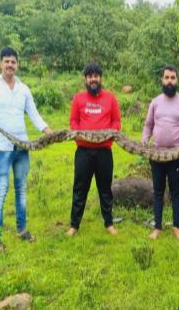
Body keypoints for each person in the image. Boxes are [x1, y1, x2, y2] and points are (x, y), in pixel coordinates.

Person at [0, 47, 52, 251]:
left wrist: (49, 131)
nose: (10, 65)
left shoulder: (24, 89)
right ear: (0, 64)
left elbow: (34, 114)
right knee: (1, 191)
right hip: (3, 149)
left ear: (17, 65)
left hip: (22, 147)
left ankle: (22, 229)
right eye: (6, 61)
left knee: (21, 190)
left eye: (13, 62)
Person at [66, 62, 121, 236]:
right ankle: (74, 225)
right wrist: (78, 134)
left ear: (100, 78)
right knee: (80, 188)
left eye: (96, 76)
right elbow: (74, 122)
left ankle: (109, 223)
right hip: (83, 152)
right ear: (86, 79)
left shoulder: (110, 98)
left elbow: (116, 122)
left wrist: (112, 133)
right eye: (90, 76)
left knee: (105, 188)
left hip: (104, 151)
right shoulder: (78, 98)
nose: (93, 79)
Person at [142, 65, 179, 241]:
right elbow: (148, 125)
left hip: (177, 157)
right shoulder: (155, 102)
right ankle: (157, 227)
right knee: (158, 191)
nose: (170, 81)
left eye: (173, 78)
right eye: (167, 77)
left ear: (177, 80)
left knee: (176, 192)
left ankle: (176, 227)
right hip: (156, 155)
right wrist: (144, 140)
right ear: (162, 80)